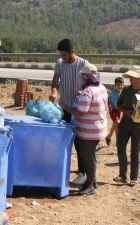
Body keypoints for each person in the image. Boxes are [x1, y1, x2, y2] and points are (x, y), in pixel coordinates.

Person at [60, 63, 108, 195]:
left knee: (87, 158)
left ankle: (89, 185)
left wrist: (65, 106)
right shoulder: (101, 88)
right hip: (98, 129)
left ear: (86, 77)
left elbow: (81, 112)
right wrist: (81, 95)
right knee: (90, 156)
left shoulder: (88, 91)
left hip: (88, 131)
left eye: (82, 76)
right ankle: (93, 182)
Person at [49, 38, 89, 185]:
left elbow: (91, 84)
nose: (62, 57)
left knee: (80, 142)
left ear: (72, 52)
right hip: (64, 107)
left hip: (79, 109)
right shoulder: (60, 64)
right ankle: (60, 168)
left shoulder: (83, 64)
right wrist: (54, 91)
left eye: (64, 55)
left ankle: (82, 172)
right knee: (63, 139)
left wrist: (82, 93)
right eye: (61, 54)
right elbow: (55, 81)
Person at [113, 66, 140, 186]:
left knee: (135, 151)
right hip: (125, 124)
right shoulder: (126, 90)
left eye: (132, 77)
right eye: (129, 76)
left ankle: (134, 177)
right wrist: (126, 111)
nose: (129, 79)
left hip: (138, 127)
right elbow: (118, 105)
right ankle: (122, 175)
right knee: (120, 147)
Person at [105, 77, 124, 146]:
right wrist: (109, 108)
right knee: (117, 123)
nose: (120, 86)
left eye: (121, 85)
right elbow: (108, 101)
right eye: (118, 85)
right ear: (115, 85)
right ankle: (118, 141)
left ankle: (108, 137)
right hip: (112, 110)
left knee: (115, 124)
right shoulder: (112, 93)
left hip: (118, 110)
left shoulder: (123, 93)